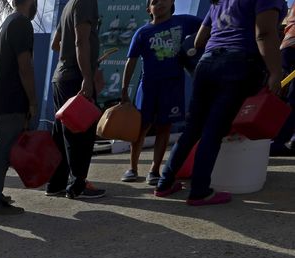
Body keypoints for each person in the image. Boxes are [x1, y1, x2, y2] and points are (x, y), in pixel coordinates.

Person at [154, 0, 285, 205]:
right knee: (214, 131)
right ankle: (199, 191)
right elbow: (265, 33)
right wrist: (276, 71)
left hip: (206, 64)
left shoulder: (219, 2)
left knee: (192, 129)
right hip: (238, 63)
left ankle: (164, 183)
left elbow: (199, 41)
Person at [120, 0, 201, 185]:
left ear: (172, 2)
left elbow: (210, 25)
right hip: (148, 86)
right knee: (141, 128)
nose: (160, 3)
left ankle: (154, 170)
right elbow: (131, 61)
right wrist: (124, 89)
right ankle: (132, 168)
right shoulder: (142, 32)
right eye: (154, 2)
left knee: (164, 128)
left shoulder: (185, 21)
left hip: (173, 86)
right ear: (148, 9)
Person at [46, 0, 106, 199]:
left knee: (61, 135)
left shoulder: (69, 5)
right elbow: (81, 41)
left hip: (60, 77)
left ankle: (56, 184)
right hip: (75, 78)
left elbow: (56, 44)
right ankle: (78, 184)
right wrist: (87, 77)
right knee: (81, 133)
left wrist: (72, 55)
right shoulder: (86, 2)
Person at [0, 0, 36, 215]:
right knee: (4, 150)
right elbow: (25, 66)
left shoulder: (5, 24)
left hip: (2, 97)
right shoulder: (22, 23)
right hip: (14, 98)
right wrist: (33, 100)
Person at [270, 3, 295, 156]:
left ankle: (274, 137)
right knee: (293, 99)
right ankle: (280, 141)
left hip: (286, 46)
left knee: (282, 95)